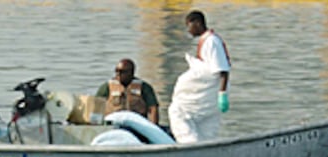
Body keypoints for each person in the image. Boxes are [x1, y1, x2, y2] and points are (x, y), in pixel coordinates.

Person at [168, 10, 231, 143]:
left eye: (188, 25)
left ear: (197, 23)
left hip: (209, 93)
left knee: (178, 111)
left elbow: (222, 70)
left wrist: (222, 94)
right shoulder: (206, 40)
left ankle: (189, 146)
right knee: (205, 131)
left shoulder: (212, 41)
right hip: (206, 96)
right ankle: (201, 149)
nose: (188, 30)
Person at [95, 59, 159, 124]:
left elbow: (153, 109)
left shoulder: (144, 87)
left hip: (138, 124)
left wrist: (154, 127)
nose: (118, 74)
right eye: (116, 71)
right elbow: (96, 107)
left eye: (122, 72)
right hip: (113, 124)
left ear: (131, 72)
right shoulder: (107, 87)